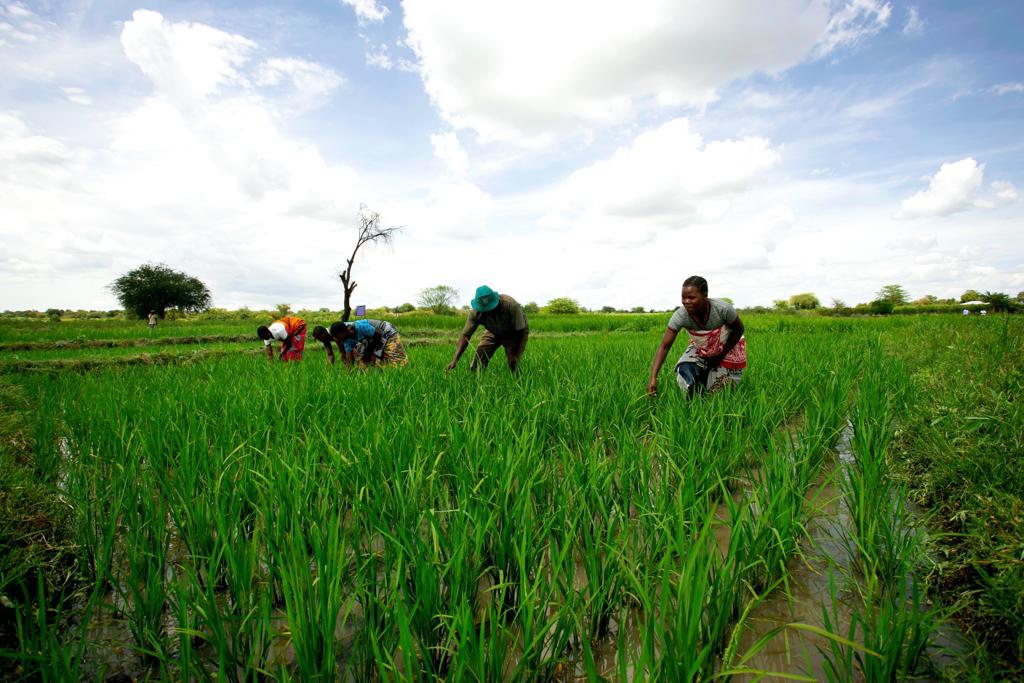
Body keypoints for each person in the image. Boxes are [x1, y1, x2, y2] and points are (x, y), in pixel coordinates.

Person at [647, 275, 746, 398]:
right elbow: (664, 346)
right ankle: (692, 401)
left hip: (726, 346)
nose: (686, 301)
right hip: (701, 347)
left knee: (717, 394)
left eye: (691, 297)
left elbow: (739, 329)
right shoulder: (681, 316)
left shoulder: (723, 309)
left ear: (705, 295)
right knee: (685, 371)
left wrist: (720, 355)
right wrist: (653, 377)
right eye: (683, 298)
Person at [447, 285, 528, 373]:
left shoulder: (510, 305)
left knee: (513, 362)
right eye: (485, 309)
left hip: (514, 332)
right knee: (477, 363)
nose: (488, 311)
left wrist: (514, 353)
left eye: (490, 308)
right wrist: (455, 359)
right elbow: (466, 335)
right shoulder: (476, 313)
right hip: (493, 331)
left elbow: (520, 331)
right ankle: (476, 383)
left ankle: (520, 382)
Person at [328, 319, 408, 368]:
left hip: (386, 331)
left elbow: (377, 336)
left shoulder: (359, 326)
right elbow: (350, 358)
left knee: (395, 357)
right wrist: (349, 373)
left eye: (336, 336)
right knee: (366, 361)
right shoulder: (347, 340)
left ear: (342, 332)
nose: (335, 339)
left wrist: (370, 352)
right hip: (372, 339)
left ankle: (403, 370)